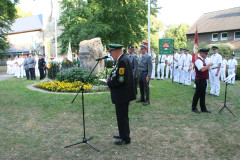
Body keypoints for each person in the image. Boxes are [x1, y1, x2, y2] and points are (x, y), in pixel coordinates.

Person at [106, 44, 136, 145]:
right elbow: (117, 75)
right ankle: (122, 133)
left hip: (122, 94)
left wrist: (109, 83)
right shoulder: (122, 59)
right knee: (121, 116)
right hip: (123, 94)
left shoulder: (123, 60)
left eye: (111, 52)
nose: (110, 54)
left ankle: (125, 138)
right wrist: (111, 78)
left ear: (116, 51)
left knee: (122, 116)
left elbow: (121, 80)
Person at [192, 48, 213, 113]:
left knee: (203, 94)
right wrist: (209, 65)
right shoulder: (198, 60)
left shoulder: (203, 60)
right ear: (202, 53)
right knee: (197, 94)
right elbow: (202, 69)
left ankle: (203, 108)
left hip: (203, 79)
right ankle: (194, 107)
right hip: (200, 79)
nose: (206, 55)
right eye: (205, 53)